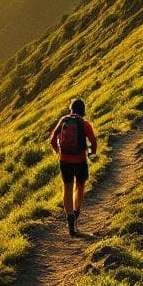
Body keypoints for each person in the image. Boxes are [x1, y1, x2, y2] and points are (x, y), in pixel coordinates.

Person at [49, 97, 97, 236]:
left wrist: (58, 152)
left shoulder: (64, 120)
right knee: (80, 186)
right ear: (83, 110)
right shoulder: (85, 124)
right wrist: (92, 152)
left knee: (67, 188)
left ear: (71, 109)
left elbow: (52, 139)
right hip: (80, 161)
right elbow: (93, 141)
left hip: (65, 161)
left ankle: (69, 214)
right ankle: (76, 212)